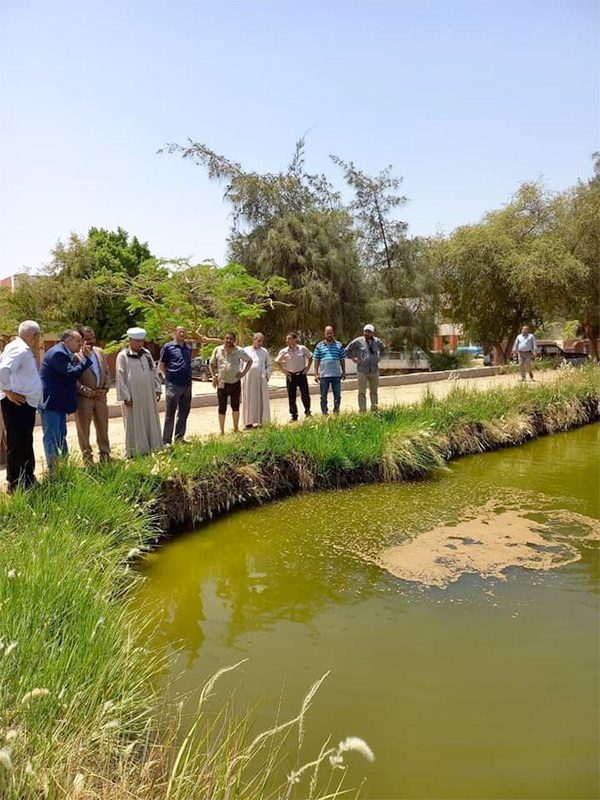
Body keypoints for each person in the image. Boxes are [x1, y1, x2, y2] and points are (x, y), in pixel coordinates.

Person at [40, 330, 94, 469]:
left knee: (61, 437)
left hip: (59, 403)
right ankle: (54, 471)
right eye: (78, 341)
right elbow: (72, 373)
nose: (80, 344)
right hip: (51, 403)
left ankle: (64, 468)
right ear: (68, 340)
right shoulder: (58, 353)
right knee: (52, 438)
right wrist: (86, 359)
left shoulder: (65, 353)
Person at [0, 320, 42, 491]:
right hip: (17, 404)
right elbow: (3, 371)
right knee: (18, 444)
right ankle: (17, 484)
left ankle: (27, 478)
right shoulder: (19, 349)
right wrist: (8, 391)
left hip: (23, 403)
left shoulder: (20, 348)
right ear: (36, 336)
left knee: (24, 442)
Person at [116, 327, 163, 457]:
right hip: (133, 395)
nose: (140, 344)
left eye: (142, 341)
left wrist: (157, 388)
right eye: (137, 341)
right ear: (130, 340)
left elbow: (154, 371)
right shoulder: (122, 356)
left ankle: (153, 446)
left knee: (150, 419)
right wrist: (126, 396)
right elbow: (120, 376)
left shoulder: (146, 353)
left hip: (148, 394)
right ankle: (135, 451)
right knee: (134, 421)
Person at [75, 326, 111, 464]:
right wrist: (85, 390)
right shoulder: (75, 355)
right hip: (84, 399)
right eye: (88, 339)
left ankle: (105, 454)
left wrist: (105, 388)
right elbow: (73, 378)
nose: (91, 341)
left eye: (93, 338)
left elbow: (106, 372)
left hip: (100, 397)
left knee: (103, 427)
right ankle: (87, 459)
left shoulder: (99, 352)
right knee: (84, 430)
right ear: (81, 339)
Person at [209, 332, 252, 434]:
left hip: (235, 383)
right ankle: (222, 431)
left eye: (231, 339)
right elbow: (211, 364)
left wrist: (243, 373)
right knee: (222, 408)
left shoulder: (239, 351)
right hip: (222, 383)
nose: (228, 340)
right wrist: (213, 376)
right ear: (224, 339)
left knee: (235, 407)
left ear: (234, 340)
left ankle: (236, 429)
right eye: (227, 338)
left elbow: (250, 361)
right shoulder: (218, 350)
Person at [159, 326, 192, 445]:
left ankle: (179, 439)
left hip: (187, 385)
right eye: (180, 332)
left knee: (184, 412)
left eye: (184, 331)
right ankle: (166, 441)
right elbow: (162, 365)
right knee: (170, 413)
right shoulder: (168, 347)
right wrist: (166, 378)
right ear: (175, 333)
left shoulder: (188, 348)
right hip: (173, 384)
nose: (182, 333)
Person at [346, 324, 386, 412]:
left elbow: (384, 349)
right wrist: (353, 359)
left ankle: (374, 410)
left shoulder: (377, 341)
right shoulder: (358, 341)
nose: (367, 333)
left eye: (369, 332)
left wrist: (379, 357)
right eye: (365, 331)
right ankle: (362, 411)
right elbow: (347, 350)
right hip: (362, 370)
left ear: (372, 333)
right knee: (362, 392)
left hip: (374, 370)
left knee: (374, 391)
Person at [275, 332, 312, 422]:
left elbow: (310, 357)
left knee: (305, 394)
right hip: (291, 376)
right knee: (292, 396)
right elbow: (277, 361)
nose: (287, 341)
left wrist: (307, 368)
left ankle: (307, 412)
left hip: (301, 375)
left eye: (289, 339)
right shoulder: (284, 351)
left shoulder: (302, 349)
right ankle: (294, 416)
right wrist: (283, 371)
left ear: (295, 339)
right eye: (286, 339)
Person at [313, 325, 347, 415]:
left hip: (336, 375)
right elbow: (316, 360)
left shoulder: (339, 345)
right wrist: (316, 373)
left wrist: (343, 372)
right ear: (324, 334)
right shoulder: (319, 346)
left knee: (337, 395)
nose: (329, 335)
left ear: (333, 333)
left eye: (330, 333)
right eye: (327, 333)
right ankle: (325, 413)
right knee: (323, 396)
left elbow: (342, 359)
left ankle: (336, 412)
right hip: (324, 375)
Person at [241, 332, 271, 428]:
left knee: (261, 400)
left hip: (260, 379)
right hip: (248, 380)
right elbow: (240, 365)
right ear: (254, 340)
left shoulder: (264, 351)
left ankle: (262, 421)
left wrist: (267, 375)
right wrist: (241, 376)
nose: (260, 343)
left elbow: (269, 365)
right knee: (248, 400)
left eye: (262, 341)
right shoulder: (245, 350)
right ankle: (248, 422)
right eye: (259, 341)